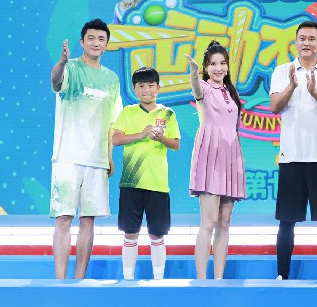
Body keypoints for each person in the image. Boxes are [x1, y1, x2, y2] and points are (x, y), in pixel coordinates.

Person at [269, 21, 317, 280]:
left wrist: (314, 92)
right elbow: (275, 107)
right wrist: (292, 86)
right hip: (291, 157)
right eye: (302, 38)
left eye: (312, 39)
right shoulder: (282, 71)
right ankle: (282, 275)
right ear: (295, 42)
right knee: (286, 221)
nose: (306, 43)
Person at [49, 18, 122, 279]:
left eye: (101, 39)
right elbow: (56, 81)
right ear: (82, 42)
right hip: (67, 156)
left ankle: (79, 278)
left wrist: (110, 156)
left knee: (88, 220)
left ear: (106, 45)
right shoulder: (70, 68)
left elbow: (113, 121)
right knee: (63, 218)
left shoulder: (112, 79)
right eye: (91, 38)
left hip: (96, 159)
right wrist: (61, 63)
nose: (96, 43)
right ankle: (60, 280)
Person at [112, 67, 180, 280]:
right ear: (134, 89)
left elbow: (176, 144)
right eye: (141, 86)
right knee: (130, 233)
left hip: (158, 183)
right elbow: (116, 139)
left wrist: (162, 139)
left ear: (158, 88)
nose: (146, 90)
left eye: (151, 85)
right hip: (131, 183)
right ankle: (128, 279)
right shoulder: (128, 112)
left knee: (157, 234)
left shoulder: (168, 114)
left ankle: (158, 279)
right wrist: (141, 135)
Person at [185, 41, 246, 279]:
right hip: (211, 156)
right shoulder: (204, 87)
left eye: (222, 63)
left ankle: (219, 278)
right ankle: (202, 279)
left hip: (230, 157)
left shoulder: (232, 93)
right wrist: (193, 74)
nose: (218, 68)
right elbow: (196, 90)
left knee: (225, 222)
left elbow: (235, 129)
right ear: (206, 68)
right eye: (213, 64)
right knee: (209, 222)